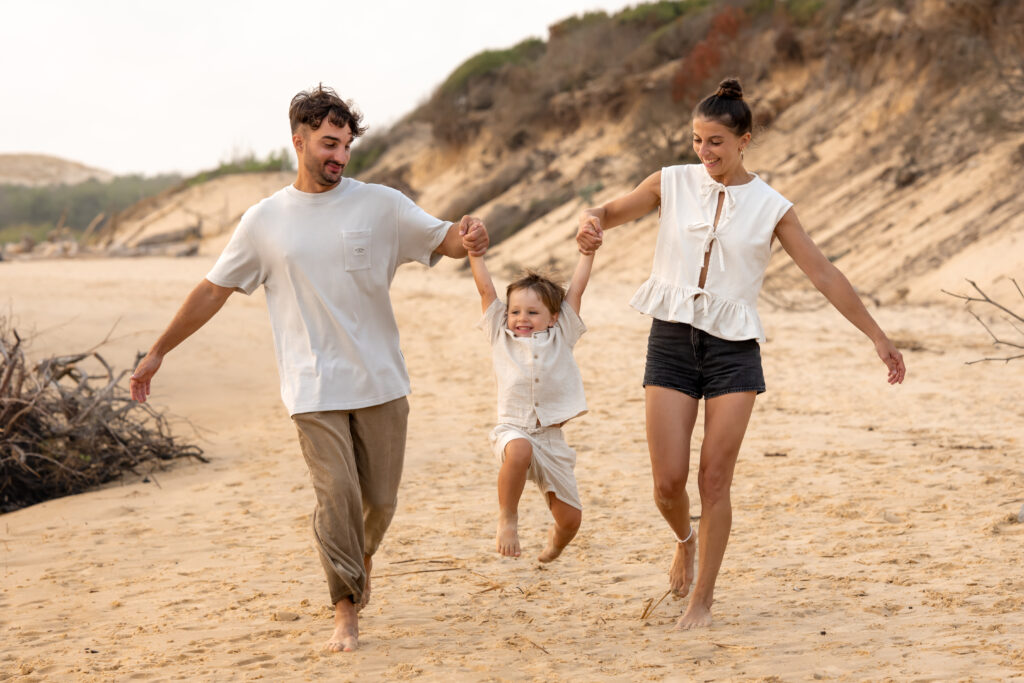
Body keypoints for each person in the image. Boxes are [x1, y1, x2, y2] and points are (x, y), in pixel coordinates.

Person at [128, 84, 489, 652]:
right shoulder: (265, 220)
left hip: (381, 380)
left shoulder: (381, 204)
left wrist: (468, 234)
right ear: (298, 142)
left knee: (379, 503)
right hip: (312, 386)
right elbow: (213, 290)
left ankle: (357, 559)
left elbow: (443, 238)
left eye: (345, 145)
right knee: (336, 494)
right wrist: (158, 351)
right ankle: (344, 608)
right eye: (328, 143)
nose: (339, 156)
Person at [576, 78, 905, 630]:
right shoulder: (671, 182)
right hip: (672, 340)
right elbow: (607, 211)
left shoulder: (772, 207)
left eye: (716, 142)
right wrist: (590, 223)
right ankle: (685, 539)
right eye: (697, 140)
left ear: (744, 141)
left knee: (714, 479)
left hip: (734, 350)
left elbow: (824, 273)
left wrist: (877, 335)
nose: (704, 152)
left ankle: (702, 601)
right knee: (668, 483)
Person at [465, 233, 594, 563]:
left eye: (533, 312)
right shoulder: (500, 334)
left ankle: (556, 543)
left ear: (554, 317)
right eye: (515, 311)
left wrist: (587, 254)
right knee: (520, 449)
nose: (521, 318)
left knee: (571, 520)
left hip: (551, 439)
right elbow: (486, 291)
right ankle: (507, 519)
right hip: (513, 429)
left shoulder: (562, 334)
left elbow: (576, 291)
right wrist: (476, 255)